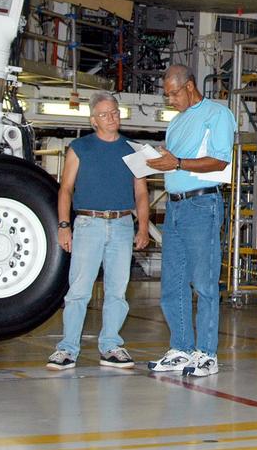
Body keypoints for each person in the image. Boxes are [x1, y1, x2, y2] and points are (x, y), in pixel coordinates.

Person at [47, 91, 150, 370]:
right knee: (79, 290)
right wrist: (64, 225)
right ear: (94, 120)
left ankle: (111, 346)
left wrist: (142, 226)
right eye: (105, 114)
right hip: (88, 224)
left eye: (115, 112)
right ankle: (67, 349)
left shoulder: (133, 149)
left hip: (121, 225)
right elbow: (65, 189)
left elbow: (141, 192)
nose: (111, 118)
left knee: (117, 290)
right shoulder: (79, 148)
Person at [145, 65, 236, 377]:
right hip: (176, 207)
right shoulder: (176, 123)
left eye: (173, 93)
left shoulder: (217, 115)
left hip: (202, 204)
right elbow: (174, 164)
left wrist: (178, 162)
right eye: (167, 94)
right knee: (172, 281)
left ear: (190, 86)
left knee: (204, 280)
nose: (170, 100)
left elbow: (221, 159)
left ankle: (207, 353)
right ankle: (181, 348)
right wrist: (160, 161)